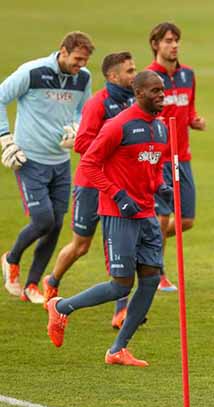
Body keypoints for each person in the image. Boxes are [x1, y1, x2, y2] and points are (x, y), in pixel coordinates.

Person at [45, 71, 171, 367]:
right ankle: (61, 307)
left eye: (162, 90)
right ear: (139, 94)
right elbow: (89, 163)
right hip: (119, 215)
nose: (161, 96)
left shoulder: (162, 128)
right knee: (120, 286)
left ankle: (118, 349)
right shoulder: (119, 125)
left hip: (147, 214)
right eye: (155, 91)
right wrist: (117, 195)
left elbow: (154, 164)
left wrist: (161, 185)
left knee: (151, 280)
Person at [42, 52, 137, 330]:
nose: (134, 75)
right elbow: (82, 143)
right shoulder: (98, 104)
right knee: (81, 246)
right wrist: (113, 148)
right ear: (113, 76)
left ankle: (121, 311)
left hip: (118, 186)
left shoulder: (133, 101)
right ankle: (53, 281)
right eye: (129, 71)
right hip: (91, 184)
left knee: (122, 247)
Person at [1, 32, 94, 304]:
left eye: (84, 60)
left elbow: (82, 110)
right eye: (77, 59)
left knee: (56, 226)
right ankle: (11, 258)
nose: (80, 66)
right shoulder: (32, 72)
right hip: (29, 158)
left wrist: (76, 128)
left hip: (61, 161)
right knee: (43, 220)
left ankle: (31, 285)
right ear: (62, 52)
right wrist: (5, 138)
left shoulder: (83, 77)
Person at [147, 22, 206, 291]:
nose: (174, 45)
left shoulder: (188, 75)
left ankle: (145, 243)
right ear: (156, 45)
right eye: (168, 40)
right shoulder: (148, 78)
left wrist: (194, 120)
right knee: (161, 216)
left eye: (176, 40)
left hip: (183, 157)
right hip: (158, 158)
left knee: (186, 221)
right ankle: (156, 272)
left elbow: (188, 107)